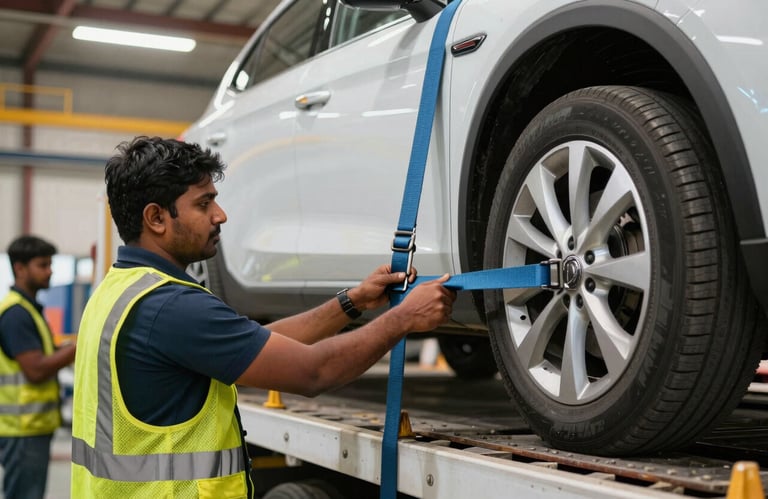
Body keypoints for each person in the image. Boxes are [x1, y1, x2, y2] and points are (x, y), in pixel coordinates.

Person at [71, 136, 456, 498]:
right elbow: (312, 373)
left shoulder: (117, 292)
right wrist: (403, 318)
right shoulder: (172, 307)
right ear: (156, 218)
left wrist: (350, 303)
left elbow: (253, 342)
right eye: (204, 204)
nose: (220, 215)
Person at [0, 235, 77, 499]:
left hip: (31, 427)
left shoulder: (29, 309)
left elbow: (41, 355)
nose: (50, 270)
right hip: (23, 429)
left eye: (50, 264)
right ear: (20, 268)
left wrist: (65, 349)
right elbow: (35, 370)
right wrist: (79, 347)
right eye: (42, 265)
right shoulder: (16, 315)